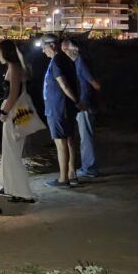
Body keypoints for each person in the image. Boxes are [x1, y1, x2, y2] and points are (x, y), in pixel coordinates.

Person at [0, 40, 35, 203]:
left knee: (12, 151)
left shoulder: (14, 67)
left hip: (14, 111)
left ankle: (21, 191)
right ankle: (10, 185)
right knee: (13, 150)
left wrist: (4, 112)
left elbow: (13, 94)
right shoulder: (19, 66)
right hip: (22, 111)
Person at [40, 34, 81, 188]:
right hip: (65, 107)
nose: (43, 51)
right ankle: (72, 174)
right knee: (69, 139)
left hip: (58, 107)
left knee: (60, 142)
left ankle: (63, 179)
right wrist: (75, 101)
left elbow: (64, 85)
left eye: (43, 47)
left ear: (51, 45)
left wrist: (76, 101)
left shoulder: (57, 60)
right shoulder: (65, 59)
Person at [62, 38, 102, 178]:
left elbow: (95, 84)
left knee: (86, 137)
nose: (64, 54)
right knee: (85, 136)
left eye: (65, 50)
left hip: (85, 104)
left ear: (72, 49)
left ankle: (90, 168)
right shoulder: (79, 62)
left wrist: (88, 98)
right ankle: (88, 166)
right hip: (84, 103)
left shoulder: (81, 62)